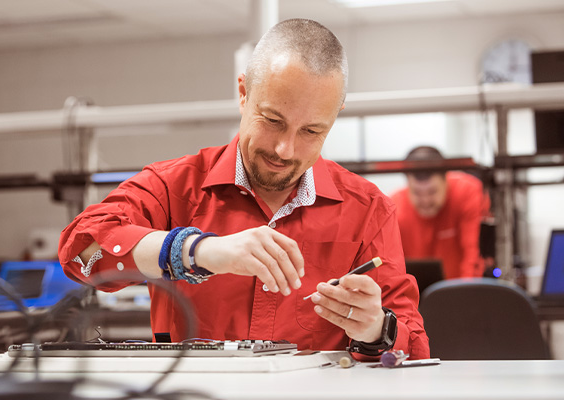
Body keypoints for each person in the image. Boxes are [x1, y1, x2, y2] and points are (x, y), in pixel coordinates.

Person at [59, 19, 429, 360]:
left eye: (311, 131)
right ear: (242, 93)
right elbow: (81, 251)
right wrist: (197, 250)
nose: (286, 149)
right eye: (272, 120)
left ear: (335, 115)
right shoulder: (174, 186)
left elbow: (416, 349)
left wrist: (376, 330)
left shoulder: (367, 210)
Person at [391, 146, 490, 280]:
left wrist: (467, 293)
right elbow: (393, 268)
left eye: (432, 192)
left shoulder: (467, 193)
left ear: (446, 180)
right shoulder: (394, 208)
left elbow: (472, 253)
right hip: (415, 296)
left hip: (460, 290)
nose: (425, 201)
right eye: (417, 193)